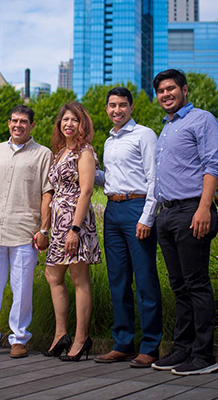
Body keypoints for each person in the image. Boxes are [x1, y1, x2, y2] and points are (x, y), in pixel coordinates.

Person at [0, 105, 53, 358]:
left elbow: (47, 193)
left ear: (32, 125)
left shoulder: (43, 154)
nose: (18, 125)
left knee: (22, 289)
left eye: (24, 121)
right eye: (14, 120)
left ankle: (19, 339)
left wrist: (44, 230)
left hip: (25, 232)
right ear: (8, 123)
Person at [152, 69, 218, 376]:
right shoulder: (166, 128)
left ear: (184, 90)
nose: (165, 94)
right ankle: (183, 348)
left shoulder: (202, 119)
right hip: (167, 215)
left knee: (196, 284)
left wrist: (204, 208)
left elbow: (212, 164)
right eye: (161, 91)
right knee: (179, 286)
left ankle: (204, 355)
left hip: (192, 211)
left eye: (170, 89)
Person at [94, 87, 162, 368]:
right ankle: (122, 343)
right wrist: (83, 169)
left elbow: (154, 178)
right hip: (113, 211)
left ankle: (150, 346)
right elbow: (109, 179)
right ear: (107, 109)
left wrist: (147, 217)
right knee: (118, 280)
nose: (117, 110)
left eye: (122, 105)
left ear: (131, 108)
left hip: (137, 209)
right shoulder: (109, 141)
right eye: (112, 105)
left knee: (145, 280)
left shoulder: (144, 134)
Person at [41, 101, 101, 362]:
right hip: (58, 224)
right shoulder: (59, 153)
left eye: (74, 120)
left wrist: (75, 229)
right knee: (52, 275)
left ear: (82, 124)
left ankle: (80, 339)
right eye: (65, 119)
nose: (68, 124)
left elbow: (86, 190)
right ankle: (60, 334)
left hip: (76, 223)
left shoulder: (84, 151)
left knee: (79, 279)